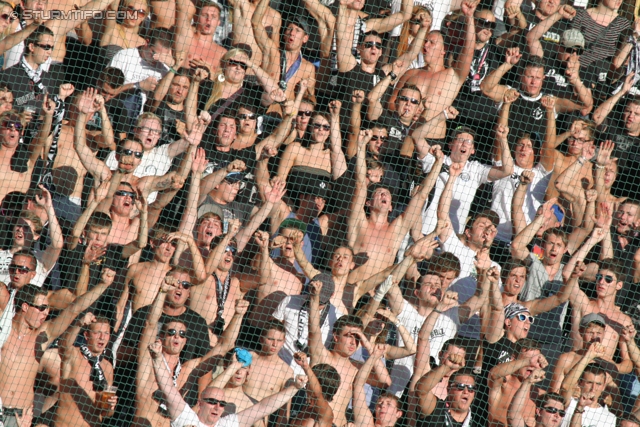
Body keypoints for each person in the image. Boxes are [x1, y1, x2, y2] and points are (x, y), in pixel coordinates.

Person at [0, 269, 116, 427]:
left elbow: (74, 308)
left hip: (21, 417)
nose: (45, 313)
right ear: (25, 307)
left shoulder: (41, 337)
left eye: (48, 309)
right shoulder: (3, 331)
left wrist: (103, 285)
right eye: (41, 308)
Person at [346, 132, 444, 283]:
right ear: (368, 203)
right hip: (351, 291)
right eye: (378, 193)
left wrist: (438, 163)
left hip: (376, 296)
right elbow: (360, 184)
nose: (383, 195)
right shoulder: (359, 223)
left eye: (386, 194)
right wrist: (360, 147)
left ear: (391, 206)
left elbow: (421, 196)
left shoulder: (396, 229)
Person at [149, 337, 309, 427]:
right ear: (201, 403)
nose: (218, 407)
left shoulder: (227, 424)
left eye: (221, 404)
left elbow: (263, 408)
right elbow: (167, 387)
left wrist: (294, 387)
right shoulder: (186, 417)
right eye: (212, 402)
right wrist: (157, 358)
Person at [308, 280, 391, 427]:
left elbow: (385, 381)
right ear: (336, 336)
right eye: (348, 336)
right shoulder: (322, 356)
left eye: (357, 337)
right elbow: (314, 330)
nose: (353, 342)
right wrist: (315, 299)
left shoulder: (356, 368)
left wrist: (367, 344)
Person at [54, 314, 117, 427]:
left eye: (106, 333)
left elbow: (106, 413)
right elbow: (63, 344)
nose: (102, 337)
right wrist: (79, 323)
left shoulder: (107, 367)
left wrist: (110, 406)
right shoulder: (73, 355)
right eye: (97, 333)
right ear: (86, 335)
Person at [175, 0, 228, 73]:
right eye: (204, 15)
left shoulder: (222, 53)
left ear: (218, 22)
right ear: (196, 18)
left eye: (213, 16)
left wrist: (209, 71)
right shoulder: (187, 38)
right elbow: (182, 7)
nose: (208, 19)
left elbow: (221, 81)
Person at [289, 352, 336, 427]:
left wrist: (306, 367)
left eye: (310, 377)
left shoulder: (325, 412)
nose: (307, 380)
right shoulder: (306, 407)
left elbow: (316, 394)